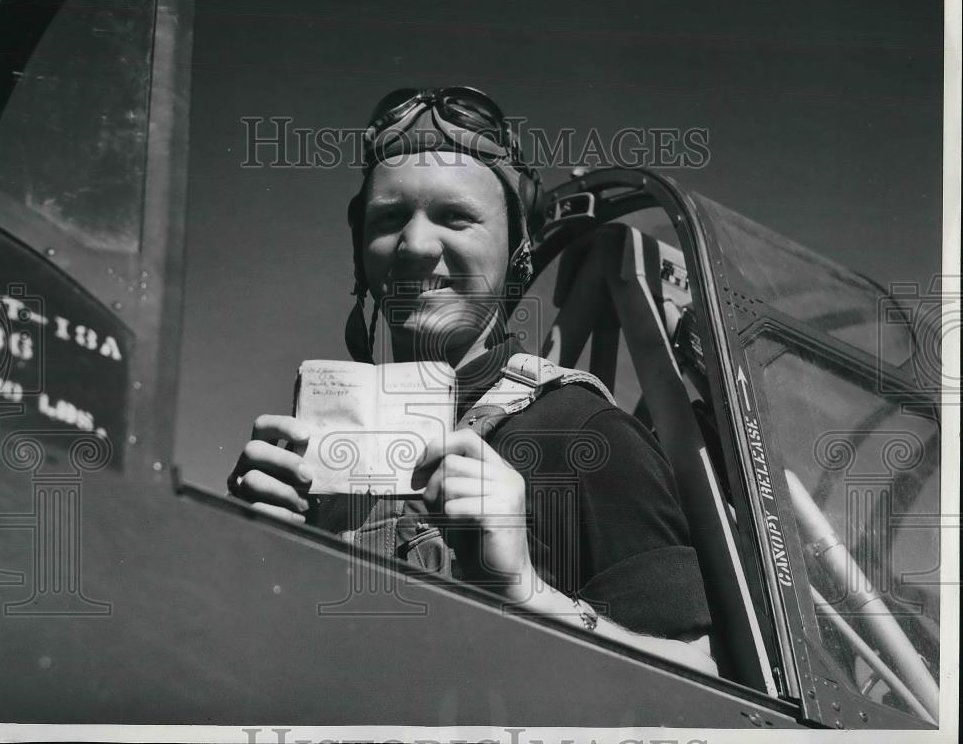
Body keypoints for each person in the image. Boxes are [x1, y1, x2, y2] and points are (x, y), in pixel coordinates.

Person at [228, 87, 717, 675]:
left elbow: (697, 674)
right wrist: (248, 557)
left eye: (455, 216)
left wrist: (525, 590)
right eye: (389, 218)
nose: (414, 245)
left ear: (517, 248)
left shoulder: (582, 431)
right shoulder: (316, 456)